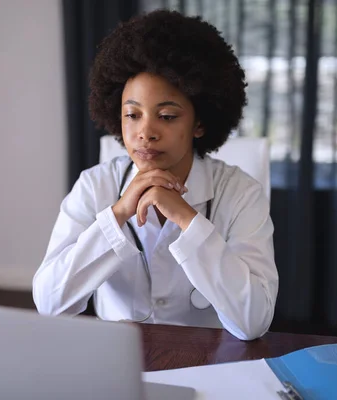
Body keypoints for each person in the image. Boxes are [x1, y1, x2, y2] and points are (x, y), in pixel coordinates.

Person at [32, 10, 278, 340]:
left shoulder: (241, 194)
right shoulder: (95, 186)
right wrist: (117, 215)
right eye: (132, 114)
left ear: (200, 122)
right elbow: (50, 303)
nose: (145, 132)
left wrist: (187, 219)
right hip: (116, 364)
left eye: (166, 115)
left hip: (209, 365)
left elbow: (253, 322)